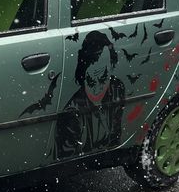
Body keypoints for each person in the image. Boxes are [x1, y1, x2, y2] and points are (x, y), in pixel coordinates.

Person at [54, 30, 126, 160]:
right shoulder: (72, 112)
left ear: (112, 67)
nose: (98, 88)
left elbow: (116, 136)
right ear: (83, 75)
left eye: (103, 78)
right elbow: (67, 159)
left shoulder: (116, 88)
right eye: (91, 81)